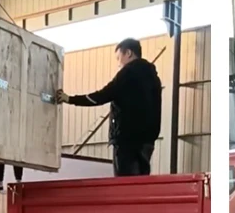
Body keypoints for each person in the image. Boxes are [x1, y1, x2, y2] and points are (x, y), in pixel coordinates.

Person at [59, 39, 162, 177]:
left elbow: (102, 96)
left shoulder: (127, 73)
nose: (119, 63)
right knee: (140, 181)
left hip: (126, 140)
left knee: (124, 182)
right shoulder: (154, 78)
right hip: (147, 141)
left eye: (119, 58)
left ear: (129, 53)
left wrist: (70, 99)